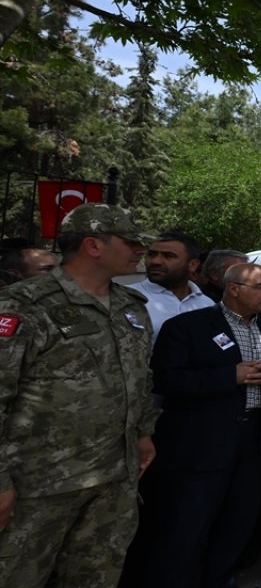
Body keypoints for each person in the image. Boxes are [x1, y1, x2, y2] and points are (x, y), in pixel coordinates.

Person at [0, 203, 159, 587]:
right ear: (93, 245)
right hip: (38, 488)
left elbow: (140, 378)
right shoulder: (26, 305)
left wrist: (142, 432)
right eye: (131, 241)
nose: (141, 250)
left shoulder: (129, 306)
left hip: (112, 482)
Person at [121, 263, 261, 588]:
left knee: (237, 523)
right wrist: (229, 376)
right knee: (186, 528)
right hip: (201, 447)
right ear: (234, 288)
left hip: (251, 443)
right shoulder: (188, 327)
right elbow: (166, 380)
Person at [128, 230, 214, 344]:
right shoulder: (127, 297)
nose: (155, 261)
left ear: (193, 265)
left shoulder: (207, 304)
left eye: (168, 256)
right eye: (151, 254)